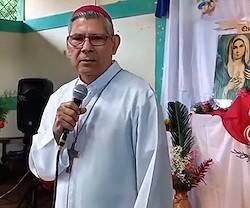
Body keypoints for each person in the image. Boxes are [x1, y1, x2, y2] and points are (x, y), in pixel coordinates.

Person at [28, 5, 172, 208]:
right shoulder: (59, 97)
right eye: (77, 39)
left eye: (96, 38)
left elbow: (153, 180)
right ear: (68, 46)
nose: (86, 47)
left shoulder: (139, 96)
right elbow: (43, 170)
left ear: (114, 44)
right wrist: (55, 133)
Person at [222, 34, 250, 99]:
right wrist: (227, 88)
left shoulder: (248, 69)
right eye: (235, 47)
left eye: (241, 46)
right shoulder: (223, 69)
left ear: (246, 47)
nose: (238, 51)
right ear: (231, 49)